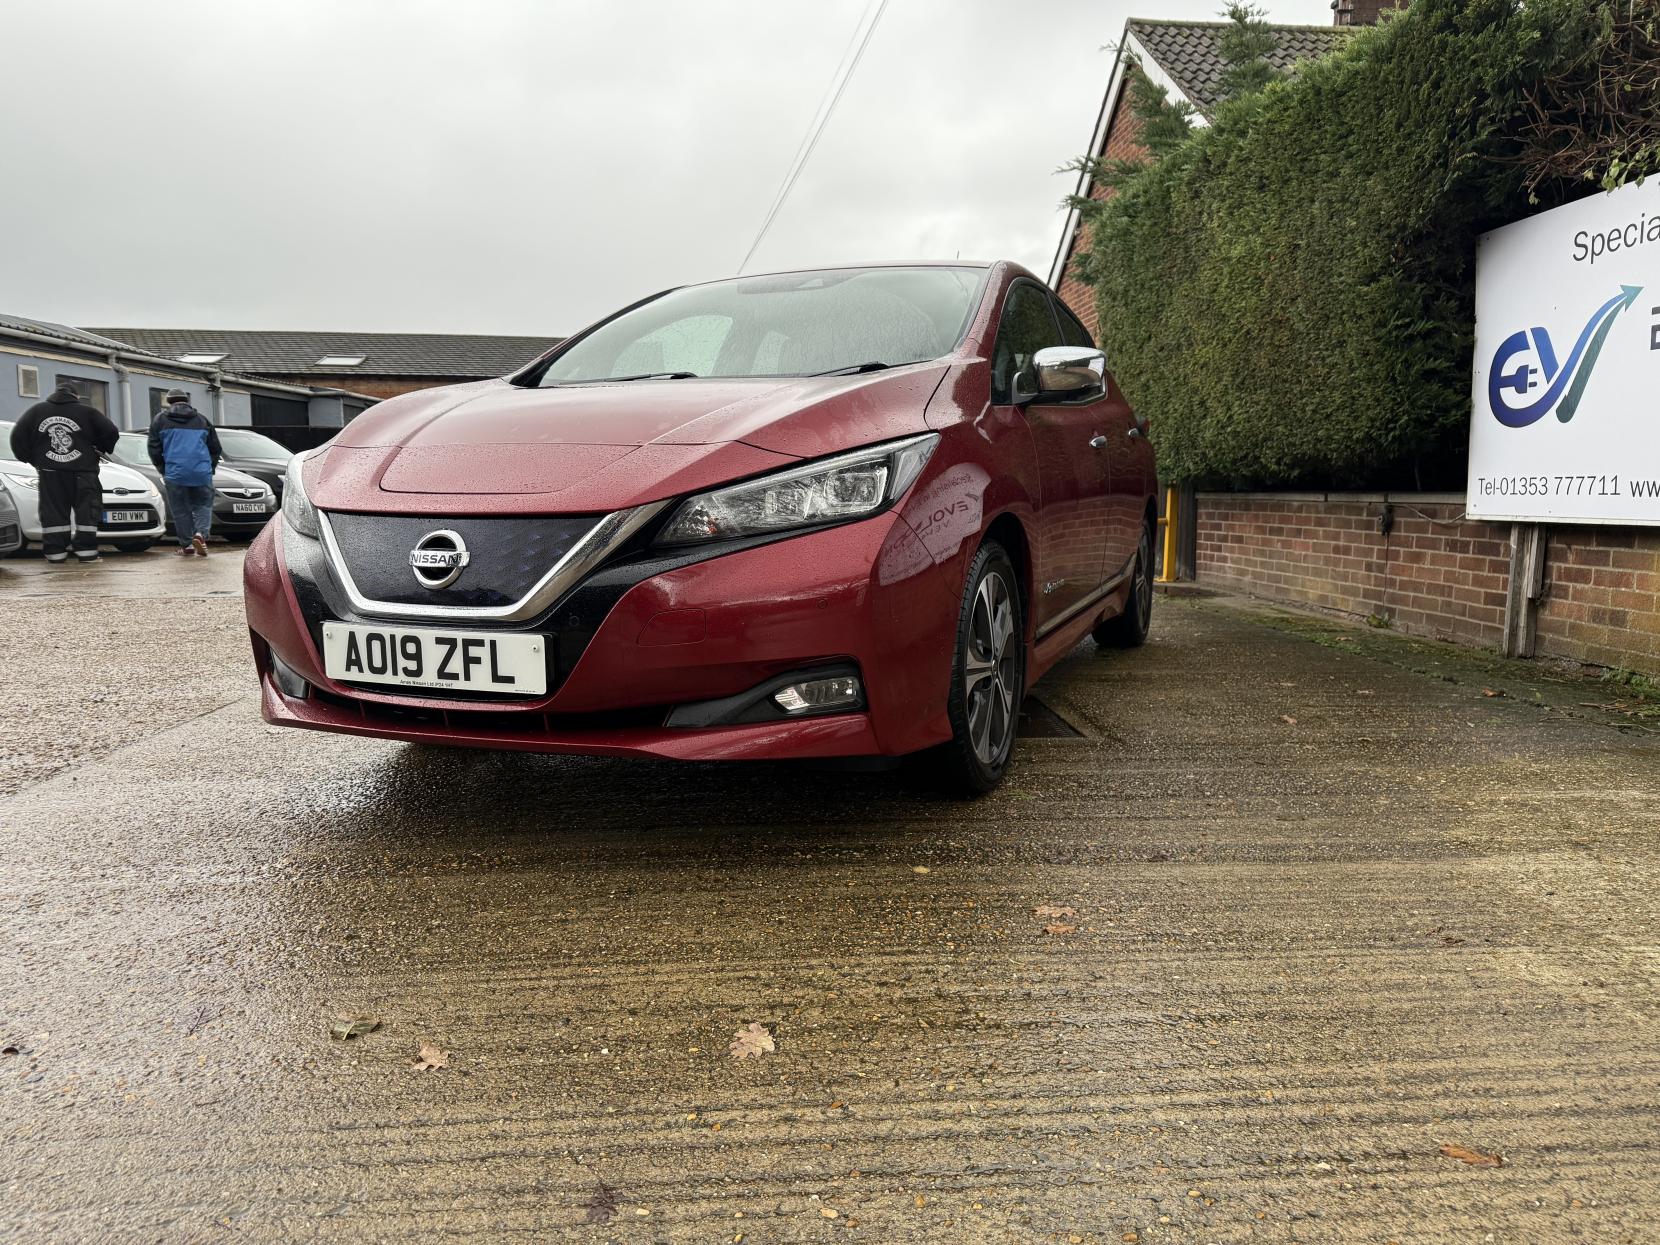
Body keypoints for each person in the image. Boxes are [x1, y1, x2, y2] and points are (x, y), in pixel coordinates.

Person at [8, 381, 120, 564]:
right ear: (76, 396)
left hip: (51, 473)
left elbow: (17, 437)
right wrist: (99, 448)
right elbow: (111, 431)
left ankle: (55, 554)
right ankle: (87, 553)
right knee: (87, 512)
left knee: (53, 513)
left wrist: (33, 459)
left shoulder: (37, 411)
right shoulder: (88, 412)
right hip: (84, 472)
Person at [148, 389, 223, 557]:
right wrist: (209, 468)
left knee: (180, 509)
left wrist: (162, 468)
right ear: (187, 401)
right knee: (203, 505)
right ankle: (200, 535)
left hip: (175, 473)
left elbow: (153, 447)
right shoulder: (202, 420)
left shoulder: (160, 420)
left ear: (169, 401)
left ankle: (187, 545)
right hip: (201, 472)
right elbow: (215, 448)